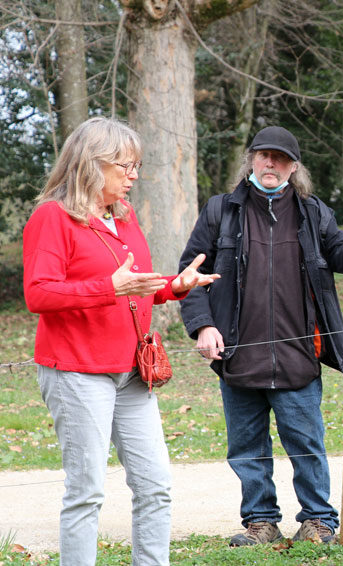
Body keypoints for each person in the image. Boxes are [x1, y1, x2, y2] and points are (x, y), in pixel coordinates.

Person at [22, 116, 219, 565]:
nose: (134, 176)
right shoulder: (53, 216)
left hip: (131, 372)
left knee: (155, 486)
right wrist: (108, 288)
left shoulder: (122, 219)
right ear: (92, 164)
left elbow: (136, 285)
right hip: (76, 372)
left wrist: (176, 286)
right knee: (87, 492)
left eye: (137, 167)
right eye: (125, 167)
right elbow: (39, 293)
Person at [178, 126, 343, 546]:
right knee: (247, 447)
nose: (272, 164)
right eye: (264, 155)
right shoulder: (221, 211)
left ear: (294, 166)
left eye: (281, 157)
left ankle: (318, 520)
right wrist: (203, 324)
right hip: (237, 355)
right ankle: (260, 522)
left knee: (306, 444)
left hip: (298, 355)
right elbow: (190, 274)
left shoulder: (312, 211)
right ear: (251, 159)